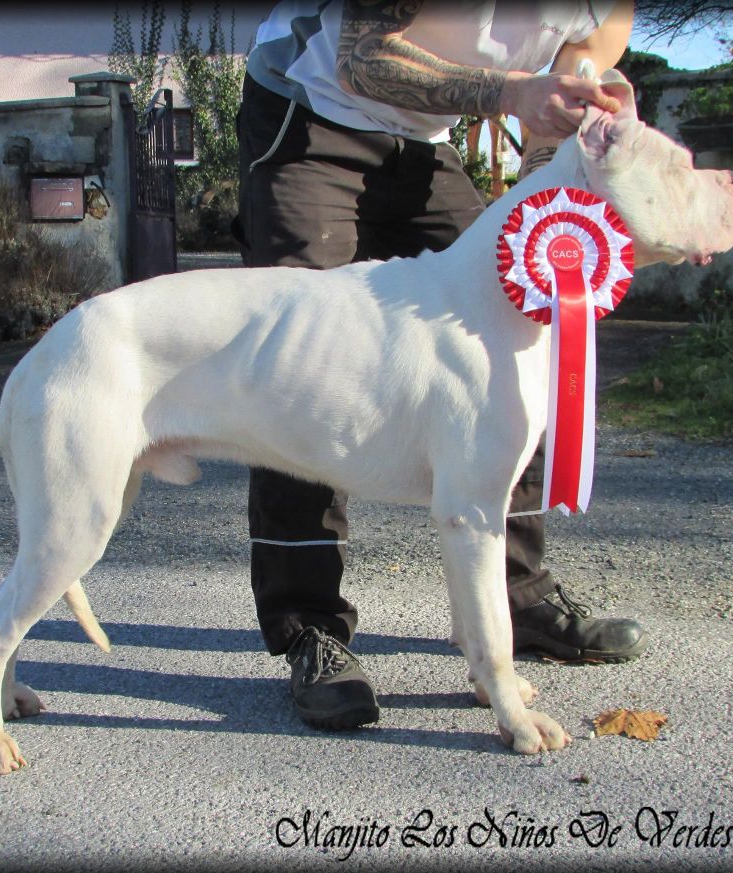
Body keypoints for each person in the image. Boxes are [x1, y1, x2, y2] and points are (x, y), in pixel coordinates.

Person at [234, 0, 646, 731]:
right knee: (301, 367)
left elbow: (557, 120)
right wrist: (514, 93)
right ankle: (312, 628)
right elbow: (365, 57)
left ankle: (514, 601)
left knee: (510, 329)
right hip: (313, 112)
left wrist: (575, 132)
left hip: (424, 138)